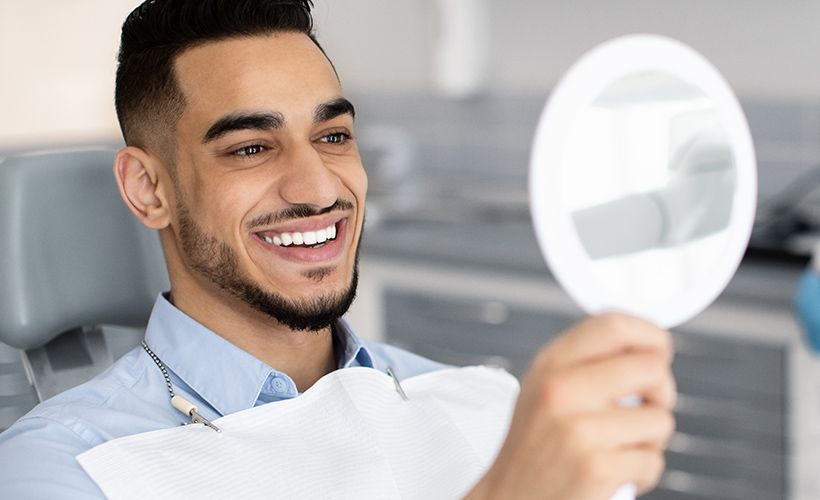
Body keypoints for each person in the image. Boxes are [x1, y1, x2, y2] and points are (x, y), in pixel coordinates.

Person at [0, 1, 676, 498]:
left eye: (332, 137)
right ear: (149, 189)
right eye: (251, 148)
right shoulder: (63, 469)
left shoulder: (493, 405)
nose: (319, 186)